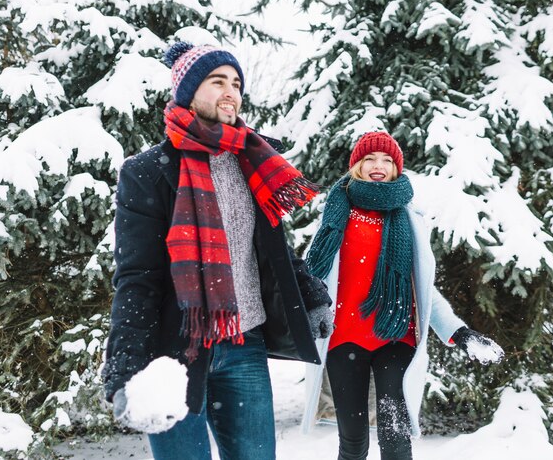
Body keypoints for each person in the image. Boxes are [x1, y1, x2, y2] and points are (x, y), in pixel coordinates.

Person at [103, 41, 334, 460]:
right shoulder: (148, 172)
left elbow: (273, 249)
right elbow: (136, 277)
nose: (231, 91)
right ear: (188, 92)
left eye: (236, 83)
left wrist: (313, 294)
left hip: (246, 345)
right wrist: (125, 371)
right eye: (217, 82)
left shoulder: (253, 162)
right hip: (172, 353)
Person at [302, 131, 504, 460]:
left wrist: (458, 332)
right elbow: (311, 279)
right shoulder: (335, 217)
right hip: (343, 340)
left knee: (395, 439)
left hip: (394, 339)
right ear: (357, 166)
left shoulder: (409, 219)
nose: (378, 166)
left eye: (386, 160)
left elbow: (423, 288)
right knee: (352, 443)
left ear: (397, 168)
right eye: (369, 159)